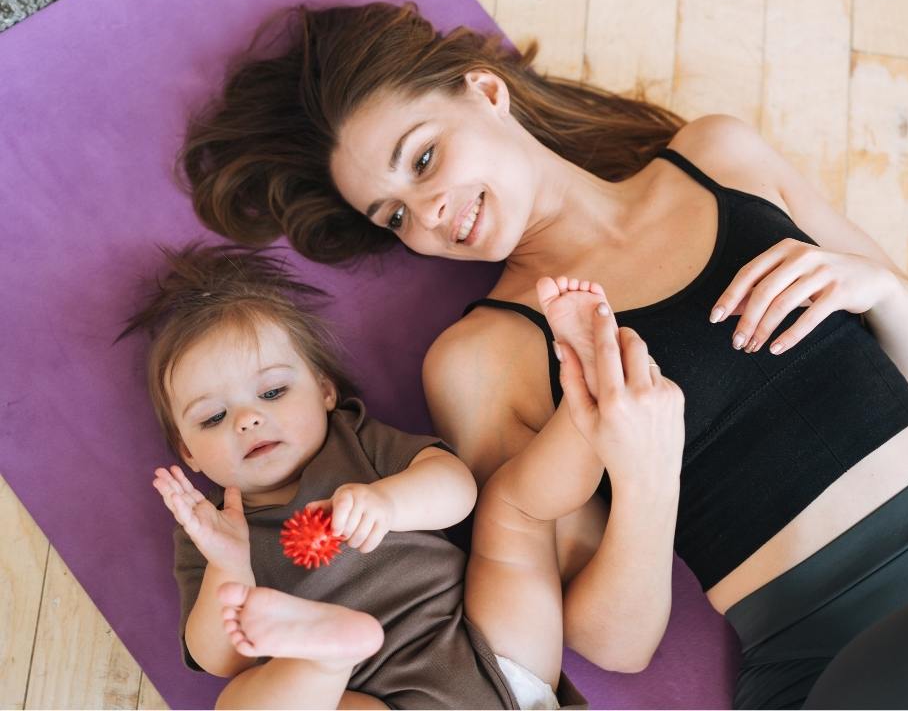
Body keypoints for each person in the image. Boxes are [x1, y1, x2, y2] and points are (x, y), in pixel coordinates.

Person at [178, 1, 908, 707]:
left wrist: (875, 285)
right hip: (832, 645)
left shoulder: (719, 159)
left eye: (426, 157)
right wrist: (645, 461)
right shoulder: (485, 356)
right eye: (394, 212)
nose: (429, 212)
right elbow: (612, 641)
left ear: (485, 94)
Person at [121, 242, 682, 709]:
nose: (248, 419)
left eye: (272, 391)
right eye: (213, 418)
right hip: (383, 699)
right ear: (187, 452)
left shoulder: (354, 442)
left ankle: (589, 406)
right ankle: (329, 655)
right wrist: (229, 566)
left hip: (489, 649)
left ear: (324, 392)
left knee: (511, 506)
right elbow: (220, 659)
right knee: (242, 703)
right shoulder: (212, 531)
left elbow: (457, 488)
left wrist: (389, 503)